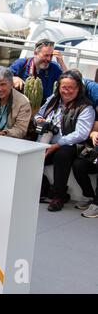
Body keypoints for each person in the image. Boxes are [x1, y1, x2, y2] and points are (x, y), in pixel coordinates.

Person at [35, 70, 95, 212]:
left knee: (62, 154)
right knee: (29, 156)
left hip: (70, 145)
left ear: (78, 88)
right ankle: (42, 189)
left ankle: (59, 196)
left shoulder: (86, 107)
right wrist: (39, 120)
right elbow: (38, 114)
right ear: (59, 87)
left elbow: (81, 134)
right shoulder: (53, 99)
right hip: (46, 141)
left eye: (71, 88)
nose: (66, 91)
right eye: (64, 87)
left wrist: (57, 145)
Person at [10, 38, 66, 106]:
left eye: (51, 56)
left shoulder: (53, 67)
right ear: (35, 53)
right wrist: (13, 78)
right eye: (46, 55)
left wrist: (61, 63)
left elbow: (71, 81)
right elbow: (2, 75)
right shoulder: (22, 63)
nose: (48, 59)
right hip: (20, 107)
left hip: (42, 110)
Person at [71, 120, 98, 218]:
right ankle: (88, 195)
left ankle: (97, 204)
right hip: (95, 153)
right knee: (79, 165)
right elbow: (94, 131)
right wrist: (94, 134)